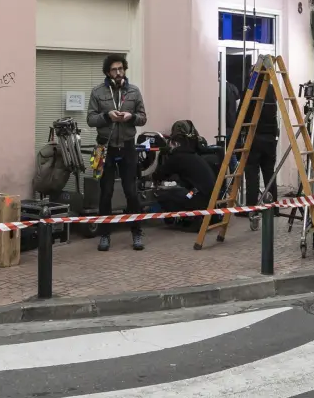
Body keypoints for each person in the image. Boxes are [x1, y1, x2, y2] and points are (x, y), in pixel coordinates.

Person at [86, 54, 148, 252]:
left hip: (128, 146)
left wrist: (131, 117)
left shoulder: (134, 91)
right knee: (106, 193)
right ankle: (105, 235)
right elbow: (90, 119)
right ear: (107, 72)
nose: (118, 72)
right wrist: (107, 116)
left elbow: (143, 118)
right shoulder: (97, 92)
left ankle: (136, 232)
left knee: (131, 192)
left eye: (121, 68)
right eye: (114, 69)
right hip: (105, 148)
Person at [153, 120, 216, 216]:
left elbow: (160, 174)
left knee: (164, 196)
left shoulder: (177, 157)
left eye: (170, 144)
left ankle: (183, 218)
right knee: (179, 191)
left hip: (197, 197)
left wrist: (152, 179)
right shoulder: (192, 155)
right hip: (210, 197)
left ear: (176, 144)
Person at [243, 70, 279, 207]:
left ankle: (252, 207)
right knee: (269, 173)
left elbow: (242, 113)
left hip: (254, 137)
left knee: (252, 173)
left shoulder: (251, 89)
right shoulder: (271, 89)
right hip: (270, 138)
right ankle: (273, 207)